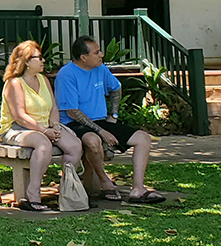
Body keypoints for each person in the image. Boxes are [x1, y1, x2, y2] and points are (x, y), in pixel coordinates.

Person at [53, 35, 165, 204]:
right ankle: (105, 181)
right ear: (84, 57)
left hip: (101, 121)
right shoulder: (66, 74)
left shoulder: (101, 68)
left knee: (143, 138)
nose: (101, 55)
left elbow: (116, 88)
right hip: (73, 124)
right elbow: (72, 111)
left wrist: (114, 115)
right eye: (97, 52)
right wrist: (101, 131)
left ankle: (138, 189)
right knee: (93, 140)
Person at [0, 39, 83, 212]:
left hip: (46, 127)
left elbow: (53, 107)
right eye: (39, 58)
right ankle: (33, 194)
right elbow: (20, 116)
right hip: (17, 128)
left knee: (75, 145)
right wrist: (45, 131)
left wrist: (55, 126)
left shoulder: (43, 80)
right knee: (43, 145)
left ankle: (67, 191)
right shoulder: (14, 83)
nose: (44, 61)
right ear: (27, 62)